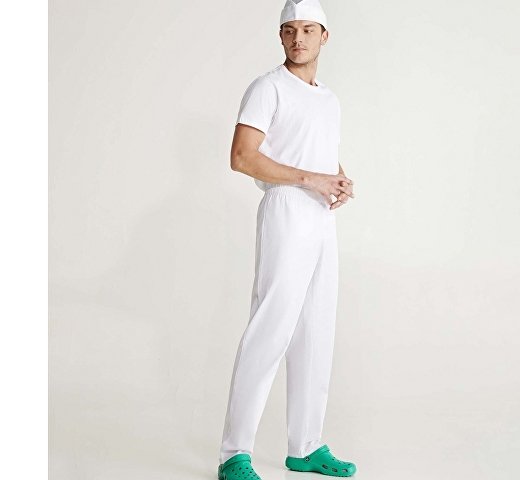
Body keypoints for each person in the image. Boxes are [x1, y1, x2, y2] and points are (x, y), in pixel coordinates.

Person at [217, 1, 357, 478]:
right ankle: (234, 453)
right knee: (271, 327)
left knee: (316, 329)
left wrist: (338, 179)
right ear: (280, 37)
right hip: (287, 211)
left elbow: (316, 151)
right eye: (290, 30)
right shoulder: (267, 87)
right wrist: (311, 180)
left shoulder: (329, 99)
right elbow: (242, 156)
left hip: (321, 218)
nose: (299, 38)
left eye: (308, 30)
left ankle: (306, 445)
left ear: (324, 36)